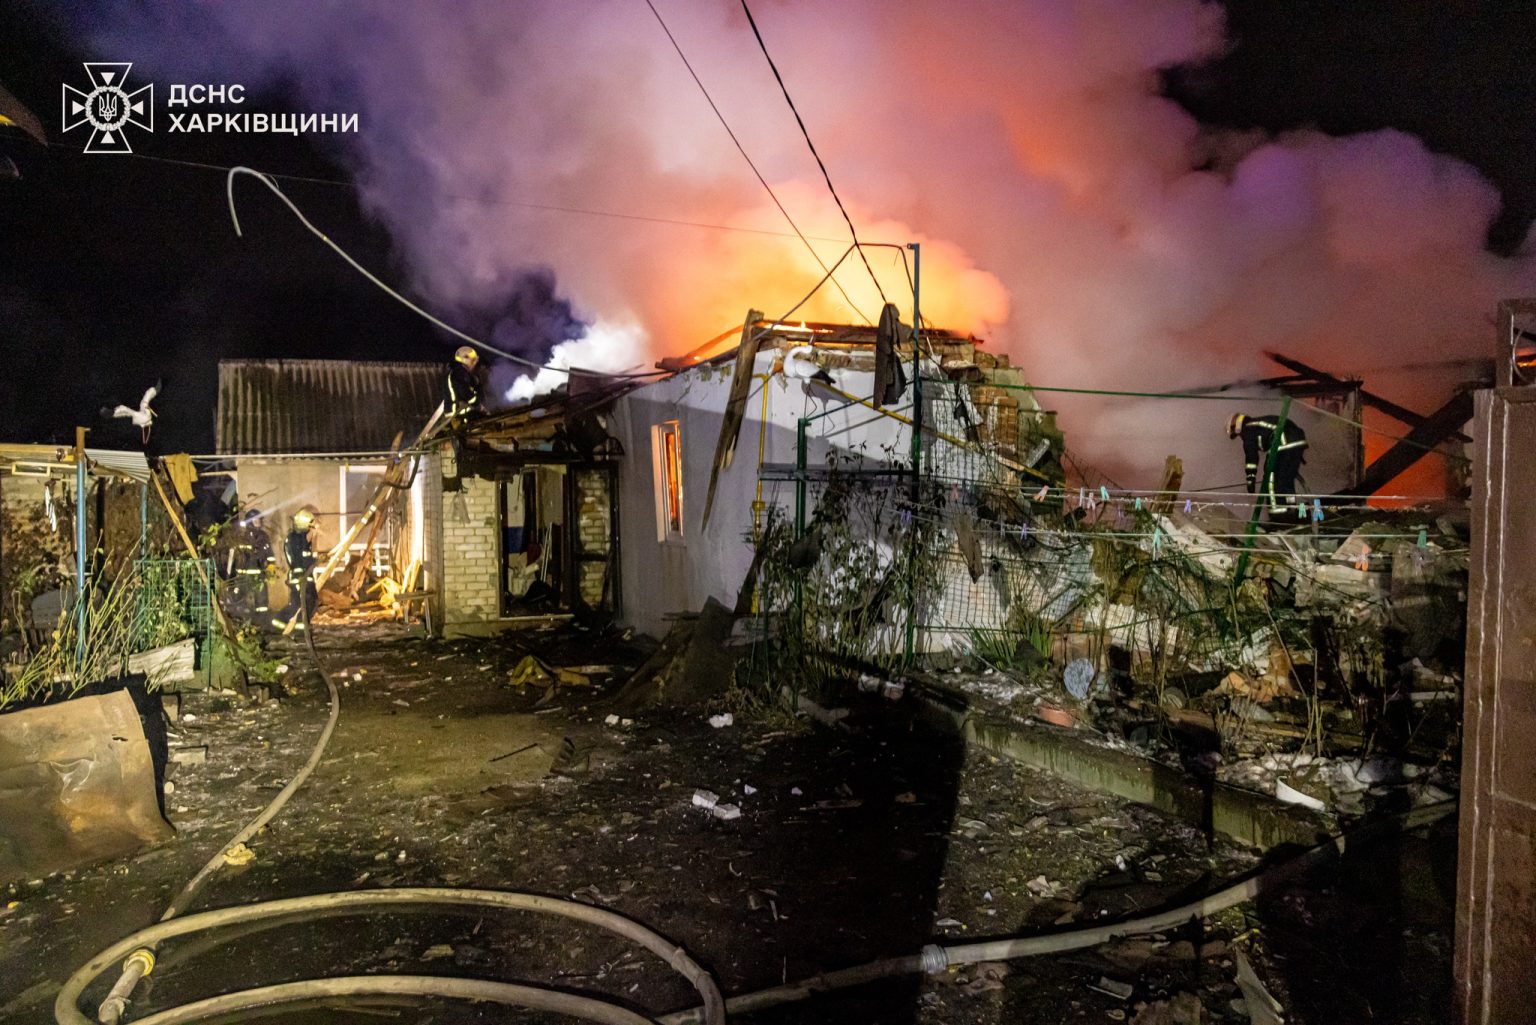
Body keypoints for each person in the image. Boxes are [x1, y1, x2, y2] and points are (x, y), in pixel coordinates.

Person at [1228, 412, 1308, 517]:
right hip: (1298, 441)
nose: (1239, 437)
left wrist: (1250, 479)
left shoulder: (1248, 429)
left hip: (1283, 443)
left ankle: (1277, 513)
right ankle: (1290, 508)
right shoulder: (1257, 424)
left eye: (1236, 434)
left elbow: (1251, 457)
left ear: (1237, 427)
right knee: (1286, 479)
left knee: (1271, 475)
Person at [219, 497, 276, 623]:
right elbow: (234, 558)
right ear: (250, 522)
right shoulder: (242, 538)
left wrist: (271, 567)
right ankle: (243, 623)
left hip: (260, 575)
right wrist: (230, 576)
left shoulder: (263, 537)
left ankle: (262, 623)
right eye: (256, 520)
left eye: (259, 520)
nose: (259, 522)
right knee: (240, 601)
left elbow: (269, 555)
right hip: (242, 577)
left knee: (262, 603)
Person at [274, 508, 319, 631]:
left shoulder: (299, 538)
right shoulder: (297, 539)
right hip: (300, 577)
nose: (313, 529)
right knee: (300, 604)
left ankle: (300, 627)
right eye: (311, 526)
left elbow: (307, 558)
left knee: (310, 601)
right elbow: (301, 560)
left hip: (303, 576)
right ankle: (278, 625)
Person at [445, 345, 482, 422]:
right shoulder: (459, 372)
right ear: (463, 359)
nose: (474, 363)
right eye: (472, 360)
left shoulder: (461, 372)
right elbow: (465, 392)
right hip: (458, 413)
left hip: (460, 413)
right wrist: (477, 404)